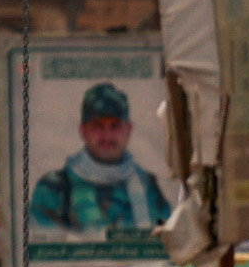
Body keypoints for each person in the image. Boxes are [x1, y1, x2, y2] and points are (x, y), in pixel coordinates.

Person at [37, 81, 182, 238]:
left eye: (115, 126)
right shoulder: (53, 189)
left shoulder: (148, 186)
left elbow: (169, 246)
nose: (107, 136)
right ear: (83, 131)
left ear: (128, 130)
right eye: (98, 126)